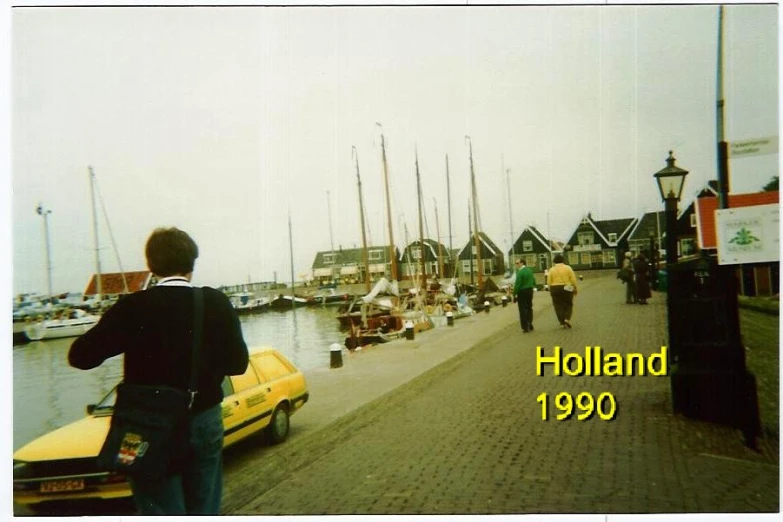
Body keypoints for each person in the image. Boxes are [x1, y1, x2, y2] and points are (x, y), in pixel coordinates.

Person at [69, 227, 249, 515]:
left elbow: (80, 357)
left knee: (161, 509)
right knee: (204, 506)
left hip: (146, 426)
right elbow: (238, 365)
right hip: (204, 419)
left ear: (151, 265)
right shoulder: (215, 303)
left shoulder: (133, 307)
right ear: (192, 262)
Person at [546, 253, 578, 328]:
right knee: (569, 303)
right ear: (563, 260)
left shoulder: (551, 269)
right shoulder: (568, 268)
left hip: (555, 288)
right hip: (567, 287)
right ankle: (567, 318)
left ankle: (562, 323)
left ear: (554, 261)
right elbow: (573, 279)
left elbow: (548, 281)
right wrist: (575, 288)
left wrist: (550, 290)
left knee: (558, 305)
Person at [513, 258, 536, 333]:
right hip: (530, 290)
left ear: (522, 263)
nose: (516, 265)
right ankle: (530, 323)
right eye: (516, 263)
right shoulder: (530, 271)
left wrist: (514, 294)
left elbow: (517, 284)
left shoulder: (520, 272)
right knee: (529, 307)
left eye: (517, 263)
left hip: (522, 291)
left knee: (523, 309)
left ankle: (525, 327)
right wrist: (534, 287)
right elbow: (533, 280)